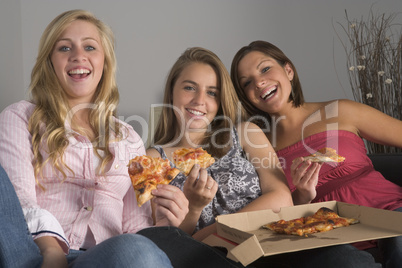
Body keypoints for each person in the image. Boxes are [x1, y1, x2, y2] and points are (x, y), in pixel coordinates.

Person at [0, 10, 243, 268]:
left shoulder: (128, 138)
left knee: (140, 250)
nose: (78, 55)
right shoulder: (20, 116)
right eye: (64, 48)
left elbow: (134, 229)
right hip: (33, 253)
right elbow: (16, 202)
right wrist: (52, 251)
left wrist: (165, 223)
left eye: (90, 47)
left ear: (104, 62)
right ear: (50, 61)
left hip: (105, 257)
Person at [145, 46, 381, 268]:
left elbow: (280, 198)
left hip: (272, 241)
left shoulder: (246, 133)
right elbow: (172, 242)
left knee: (345, 258)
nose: (199, 100)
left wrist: (216, 229)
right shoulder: (151, 160)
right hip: (214, 258)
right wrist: (194, 208)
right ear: (172, 91)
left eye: (212, 92)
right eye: (189, 87)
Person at [230, 40, 402, 268]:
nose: (259, 82)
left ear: (288, 70)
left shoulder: (341, 111)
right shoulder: (257, 145)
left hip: (389, 209)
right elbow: (278, 212)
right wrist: (302, 196)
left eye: (265, 69)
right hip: (325, 233)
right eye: (247, 82)